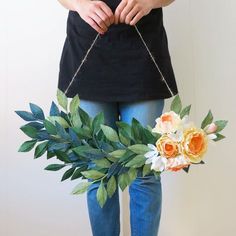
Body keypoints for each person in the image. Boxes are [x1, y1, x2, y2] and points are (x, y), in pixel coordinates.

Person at [57, 0, 178, 235]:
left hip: (144, 61)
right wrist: (80, 5)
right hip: (88, 60)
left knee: (144, 173)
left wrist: (148, 2)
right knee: (100, 173)